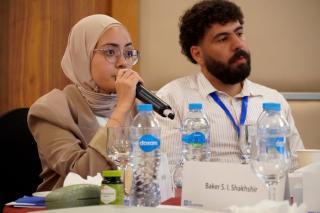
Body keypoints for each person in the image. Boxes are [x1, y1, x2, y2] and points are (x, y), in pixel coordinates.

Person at [156, 0, 304, 173]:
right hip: (206, 198)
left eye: (239, 33)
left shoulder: (273, 100)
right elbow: (171, 175)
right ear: (198, 54)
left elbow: (296, 170)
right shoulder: (171, 100)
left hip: (268, 196)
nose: (238, 44)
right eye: (223, 39)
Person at [28, 14, 143, 191]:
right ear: (83, 56)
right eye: (110, 52)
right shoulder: (50, 109)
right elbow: (84, 174)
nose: (123, 63)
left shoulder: (139, 106)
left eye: (128, 53)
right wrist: (121, 110)